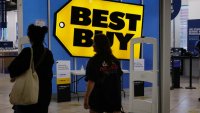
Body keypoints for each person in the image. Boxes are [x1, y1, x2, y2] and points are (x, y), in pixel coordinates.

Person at [8, 24, 54, 113]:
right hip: (44, 96)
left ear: (30, 38)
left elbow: (12, 69)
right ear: (42, 38)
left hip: (28, 95)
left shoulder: (27, 52)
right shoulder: (48, 53)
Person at [84, 33, 123, 113]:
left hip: (98, 98)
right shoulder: (115, 61)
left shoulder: (93, 61)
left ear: (99, 45)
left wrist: (86, 98)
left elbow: (91, 81)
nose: (93, 45)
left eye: (94, 43)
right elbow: (118, 78)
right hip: (114, 98)